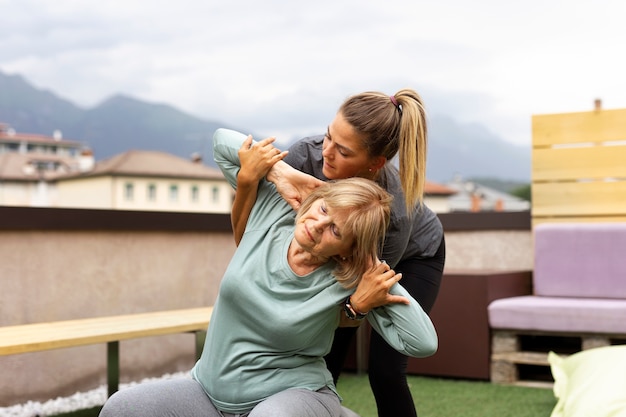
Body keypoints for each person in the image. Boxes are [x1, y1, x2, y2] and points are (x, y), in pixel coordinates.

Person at [98, 128, 438, 417]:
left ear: (349, 250)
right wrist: (282, 173)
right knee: (121, 408)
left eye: (335, 230)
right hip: (208, 392)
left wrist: (363, 272)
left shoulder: (349, 274)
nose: (317, 225)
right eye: (322, 208)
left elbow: (423, 343)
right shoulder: (275, 211)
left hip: (293, 398)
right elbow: (222, 142)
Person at [232, 89, 446, 417]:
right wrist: (280, 172)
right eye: (328, 137)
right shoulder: (307, 154)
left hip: (414, 256)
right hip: (335, 251)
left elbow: (354, 292)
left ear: (375, 163)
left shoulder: (393, 217)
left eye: (343, 151)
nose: (326, 154)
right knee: (317, 356)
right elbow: (258, 233)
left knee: (383, 368)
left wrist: (350, 308)